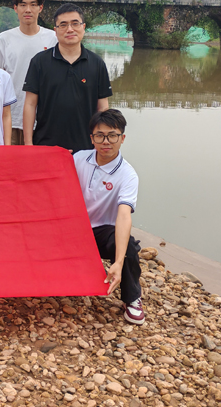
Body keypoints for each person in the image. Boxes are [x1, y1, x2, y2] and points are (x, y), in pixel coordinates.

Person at [73, 109, 143, 325]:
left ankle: (132, 299)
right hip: (73, 229)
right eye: (100, 135)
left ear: (122, 138)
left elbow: (124, 216)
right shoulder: (78, 159)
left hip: (100, 233)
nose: (106, 141)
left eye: (112, 135)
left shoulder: (128, 175)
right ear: (91, 138)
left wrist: (118, 262)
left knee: (127, 245)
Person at [23, 3, 112, 153]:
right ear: (55, 31)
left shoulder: (97, 63)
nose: (70, 29)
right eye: (63, 25)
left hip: (86, 148)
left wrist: (101, 142)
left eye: (75, 24)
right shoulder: (39, 62)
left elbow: (102, 108)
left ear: (83, 27)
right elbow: (30, 104)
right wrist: (28, 145)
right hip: (46, 146)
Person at [0, 0, 57, 145]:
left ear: (40, 8)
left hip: (43, 120)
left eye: (33, 4)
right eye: (23, 5)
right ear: (15, 8)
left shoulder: (53, 39)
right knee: (9, 160)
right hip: (10, 117)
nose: (28, 10)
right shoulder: (4, 39)